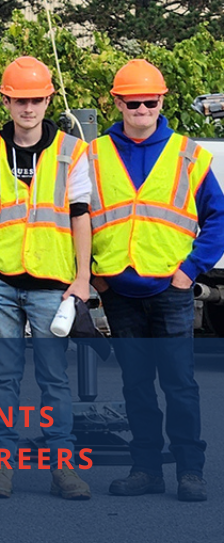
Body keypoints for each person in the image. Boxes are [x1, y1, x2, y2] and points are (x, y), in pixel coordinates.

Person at [89, 59, 221, 502]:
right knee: (135, 384)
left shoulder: (188, 155)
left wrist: (190, 270)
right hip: (119, 292)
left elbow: (218, 218)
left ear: (161, 100)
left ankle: (190, 471)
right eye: (133, 101)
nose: (141, 108)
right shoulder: (95, 154)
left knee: (179, 383)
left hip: (171, 288)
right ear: (118, 101)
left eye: (149, 101)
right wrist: (96, 276)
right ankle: (145, 469)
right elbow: (76, 220)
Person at [0, 55, 93, 500]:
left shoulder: (70, 152)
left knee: (53, 379)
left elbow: (81, 217)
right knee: (4, 378)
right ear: (6, 100)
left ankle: (64, 469)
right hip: (1, 282)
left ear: (48, 99)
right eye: (20, 100)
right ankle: (0, 469)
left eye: (36, 99)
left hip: (51, 285)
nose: (28, 108)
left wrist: (81, 278)